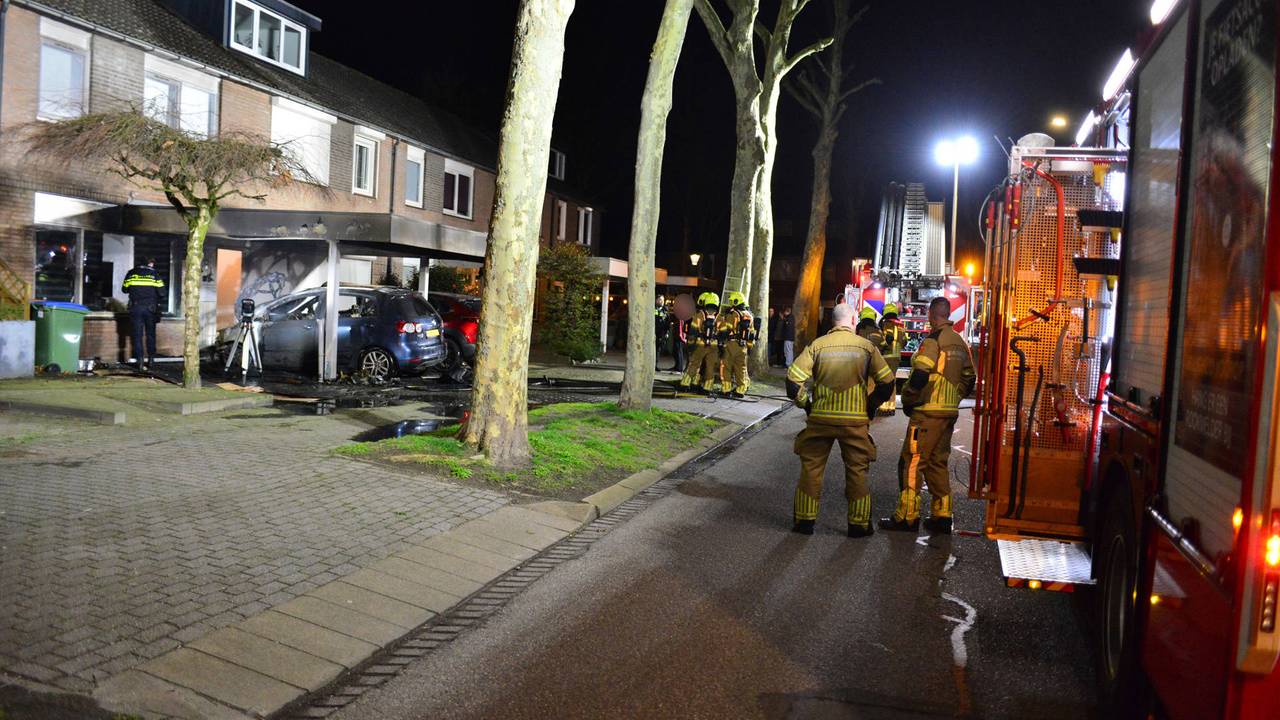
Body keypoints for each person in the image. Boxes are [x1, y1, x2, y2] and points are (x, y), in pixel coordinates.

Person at [786, 303, 895, 537]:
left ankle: (804, 522)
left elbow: (793, 381)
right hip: (854, 421)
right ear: (853, 319)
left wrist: (807, 404)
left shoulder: (817, 345)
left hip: (821, 418)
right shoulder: (865, 347)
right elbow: (887, 382)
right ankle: (858, 525)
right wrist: (870, 405)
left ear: (831, 321)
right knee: (857, 471)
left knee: (811, 469)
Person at [881, 296, 976, 534]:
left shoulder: (934, 340)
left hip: (927, 412)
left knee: (912, 462)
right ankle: (942, 516)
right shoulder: (959, 342)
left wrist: (911, 399)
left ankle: (907, 517)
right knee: (937, 461)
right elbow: (970, 376)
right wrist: (954, 397)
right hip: (948, 413)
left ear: (933, 315)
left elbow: (921, 373)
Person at [122, 257, 165, 369]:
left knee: (137, 335)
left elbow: (124, 289)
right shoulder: (154, 274)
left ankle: (140, 362)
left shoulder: (131, 273)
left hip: (135, 308)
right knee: (151, 334)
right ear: (149, 263)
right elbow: (162, 293)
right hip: (150, 309)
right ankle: (151, 360)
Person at [679, 292, 718, 393]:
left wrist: (690, 345)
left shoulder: (699, 315)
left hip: (700, 344)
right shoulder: (720, 317)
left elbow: (693, 331)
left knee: (694, 364)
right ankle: (707, 387)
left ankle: (685, 384)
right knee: (710, 367)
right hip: (714, 346)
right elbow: (723, 333)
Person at [717, 291, 754, 398]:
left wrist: (720, 343)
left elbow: (724, 330)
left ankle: (726, 389)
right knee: (741, 368)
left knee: (726, 367)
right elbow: (752, 334)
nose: (731, 303)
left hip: (731, 344)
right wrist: (749, 347)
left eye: (732, 301)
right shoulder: (749, 316)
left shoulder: (733, 314)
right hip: (743, 347)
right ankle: (740, 390)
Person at [654, 295, 670, 371]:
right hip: (652, 332)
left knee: (658, 350)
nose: (662, 301)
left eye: (663, 300)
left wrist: (667, 332)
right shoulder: (652, 309)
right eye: (660, 300)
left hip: (661, 333)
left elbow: (668, 323)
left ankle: (655, 365)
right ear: (656, 300)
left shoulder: (665, 311)